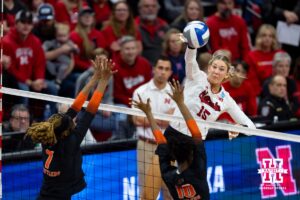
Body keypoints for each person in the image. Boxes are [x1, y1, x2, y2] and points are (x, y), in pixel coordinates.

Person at [26, 56, 116, 200]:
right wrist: (104, 81)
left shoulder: (50, 134)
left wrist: (95, 78)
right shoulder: (70, 143)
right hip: (61, 195)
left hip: (47, 193)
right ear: (67, 132)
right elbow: (90, 112)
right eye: (72, 122)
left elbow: (75, 107)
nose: (74, 120)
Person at [131, 79, 209, 200]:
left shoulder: (171, 177)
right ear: (191, 154)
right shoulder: (197, 170)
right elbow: (196, 133)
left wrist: (148, 113)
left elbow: (161, 142)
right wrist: (180, 103)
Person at [172, 35, 256, 140]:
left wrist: (240, 128)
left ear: (226, 74)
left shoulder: (226, 98)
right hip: (175, 133)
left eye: (221, 69)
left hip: (196, 143)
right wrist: (192, 46)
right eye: (214, 67)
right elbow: (190, 60)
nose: (216, 71)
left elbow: (251, 127)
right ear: (209, 68)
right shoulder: (197, 77)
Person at [132, 56, 175, 200]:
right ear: (154, 70)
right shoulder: (140, 91)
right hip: (146, 145)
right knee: (146, 192)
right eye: (160, 68)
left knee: (170, 190)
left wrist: (148, 116)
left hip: (169, 147)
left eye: (166, 69)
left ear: (170, 72)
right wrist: (164, 118)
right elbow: (136, 120)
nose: (163, 72)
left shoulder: (176, 94)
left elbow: (175, 123)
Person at [245, 24, 282, 96]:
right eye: (264, 35)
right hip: (261, 93)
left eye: (270, 36)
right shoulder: (251, 55)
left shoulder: (280, 54)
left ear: (274, 39)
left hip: (280, 90)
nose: (267, 38)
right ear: (259, 37)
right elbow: (251, 79)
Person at [43, 23, 78, 89]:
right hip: (55, 63)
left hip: (65, 65)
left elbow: (76, 51)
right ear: (55, 35)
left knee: (63, 68)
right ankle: (54, 78)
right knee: (48, 64)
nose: (61, 38)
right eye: (59, 36)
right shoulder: (53, 42)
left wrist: (74, 48)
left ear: (68, 35)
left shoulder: (69, 43)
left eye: (64, 36)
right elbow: (46, 46)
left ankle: (58, 81)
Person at [136, 0, 169, 65]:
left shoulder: (164, 25)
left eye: (154, 6)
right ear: (140, 9)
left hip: (163, 64)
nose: (150, 9)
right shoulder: (134, 26)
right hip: (143, 65)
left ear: (158, 9)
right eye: (146, 6)